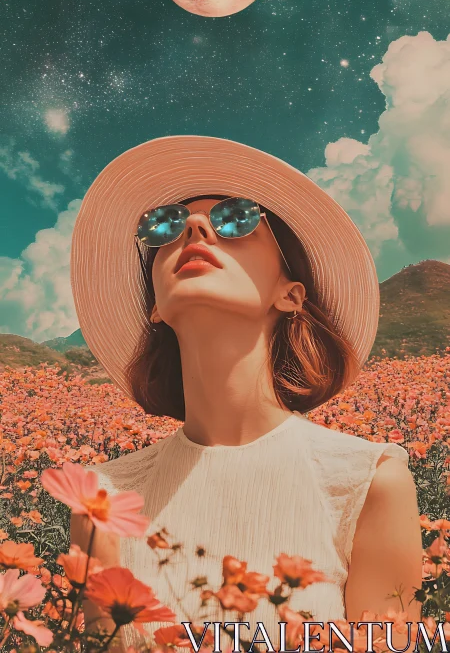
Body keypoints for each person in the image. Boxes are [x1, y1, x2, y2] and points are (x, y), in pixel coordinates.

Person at [70, 135, 423, 653]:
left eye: (238, 218)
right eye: (163, 226)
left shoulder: (369, 484)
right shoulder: (100, 498)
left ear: (290, 294)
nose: (194, 227)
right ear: (155, 308)